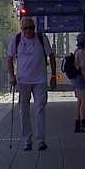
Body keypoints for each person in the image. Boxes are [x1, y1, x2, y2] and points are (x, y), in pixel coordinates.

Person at [7, 16, 55, 151]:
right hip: (23, 81)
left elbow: (51, 56)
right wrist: (12, 76)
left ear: (34, 28)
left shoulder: (41, 38)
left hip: (40, 80)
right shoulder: (16, 40)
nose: (28, 31)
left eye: (31, 28)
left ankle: (41, 140)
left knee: (40, 109)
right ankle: (27, 140)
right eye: (25, 28)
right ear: (21, 29)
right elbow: (10, 59)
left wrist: (53, 76)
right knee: (24, 111)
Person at [70, 32, 85, 132]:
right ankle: (83, 123)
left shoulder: (76, 51)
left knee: (79, 101)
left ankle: (77, 123)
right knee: (84, 101)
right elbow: (83, 68)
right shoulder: (83, 53)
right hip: (81, 78)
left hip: (75, 78)